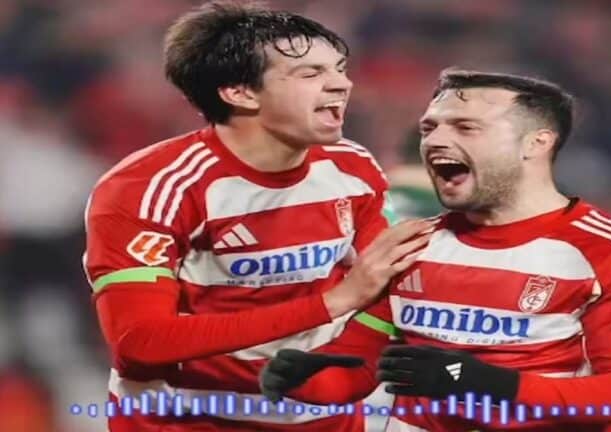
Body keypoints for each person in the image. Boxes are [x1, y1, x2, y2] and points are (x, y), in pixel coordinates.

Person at [261, 70, 611, 431]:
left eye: (465, 127)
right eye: (430, 128)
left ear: (536, 142)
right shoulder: (411, 244)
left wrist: (485, 382)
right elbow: (361, 363)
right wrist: (305, 379)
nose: (436, 142)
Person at [82, 2, 433, 431]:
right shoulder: (149, 188)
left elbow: (388, 282)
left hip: (322, 419)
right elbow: (139, 342)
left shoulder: (352, 167)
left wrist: (344, 376)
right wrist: (331, 304)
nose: (342, 84)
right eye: (310, 74)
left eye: (339, 69)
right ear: (240, 92)